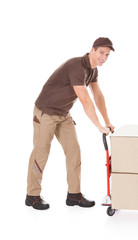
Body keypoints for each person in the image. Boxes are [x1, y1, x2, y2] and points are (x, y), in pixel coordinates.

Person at [25, 37, 115, 210]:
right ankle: (32, 195)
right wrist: (99, 127)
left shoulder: (93, 70)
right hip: (46, 112)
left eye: (107, 55)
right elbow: (85, 100)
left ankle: (74, 195)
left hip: (63, 114)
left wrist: (107, 121)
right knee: (40, 152)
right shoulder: (76, 66)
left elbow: (97, 96)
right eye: (101, 52)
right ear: (92, 50)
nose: (103, 57)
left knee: (74, 151)